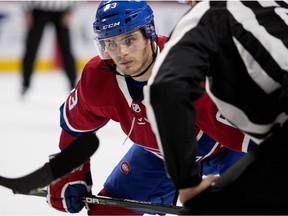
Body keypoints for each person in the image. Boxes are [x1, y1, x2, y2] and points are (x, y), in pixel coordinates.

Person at [46, 1, 254, 215]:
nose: (121, 52)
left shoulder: (193, 67)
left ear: (150, 32)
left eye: (129, 39)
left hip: (229, 149)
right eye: (111, 43)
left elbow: (258, 135)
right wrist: (70, 170)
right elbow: (76, 127)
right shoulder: (98, 78)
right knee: (106, 213)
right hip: (159, 155)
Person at [145, 0, 288, 214]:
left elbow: (166, 88)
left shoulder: (206, 15)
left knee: (206, 207)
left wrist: (188, 183)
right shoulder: (278, 5)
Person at [21, 1, 78, 96]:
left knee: (66, 49)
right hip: (38, 10)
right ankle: (25, 83)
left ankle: (73, 84)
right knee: (31, 49)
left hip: (62, 11)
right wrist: (25, 10)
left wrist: (71, 10)